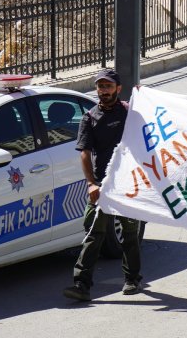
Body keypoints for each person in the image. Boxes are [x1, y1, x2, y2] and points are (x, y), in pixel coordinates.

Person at [63, 70, 143, 301]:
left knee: (129, 234)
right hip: (102, 186)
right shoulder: (89, 118)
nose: (104, 91)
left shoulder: (130, 113)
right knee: (93, 234)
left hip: (128, 184)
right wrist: (91, 184)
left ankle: (132, 279)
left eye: (108, 86)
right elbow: (85, 154)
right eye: (100, 87)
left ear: (118, 89)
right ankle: (81, 284)